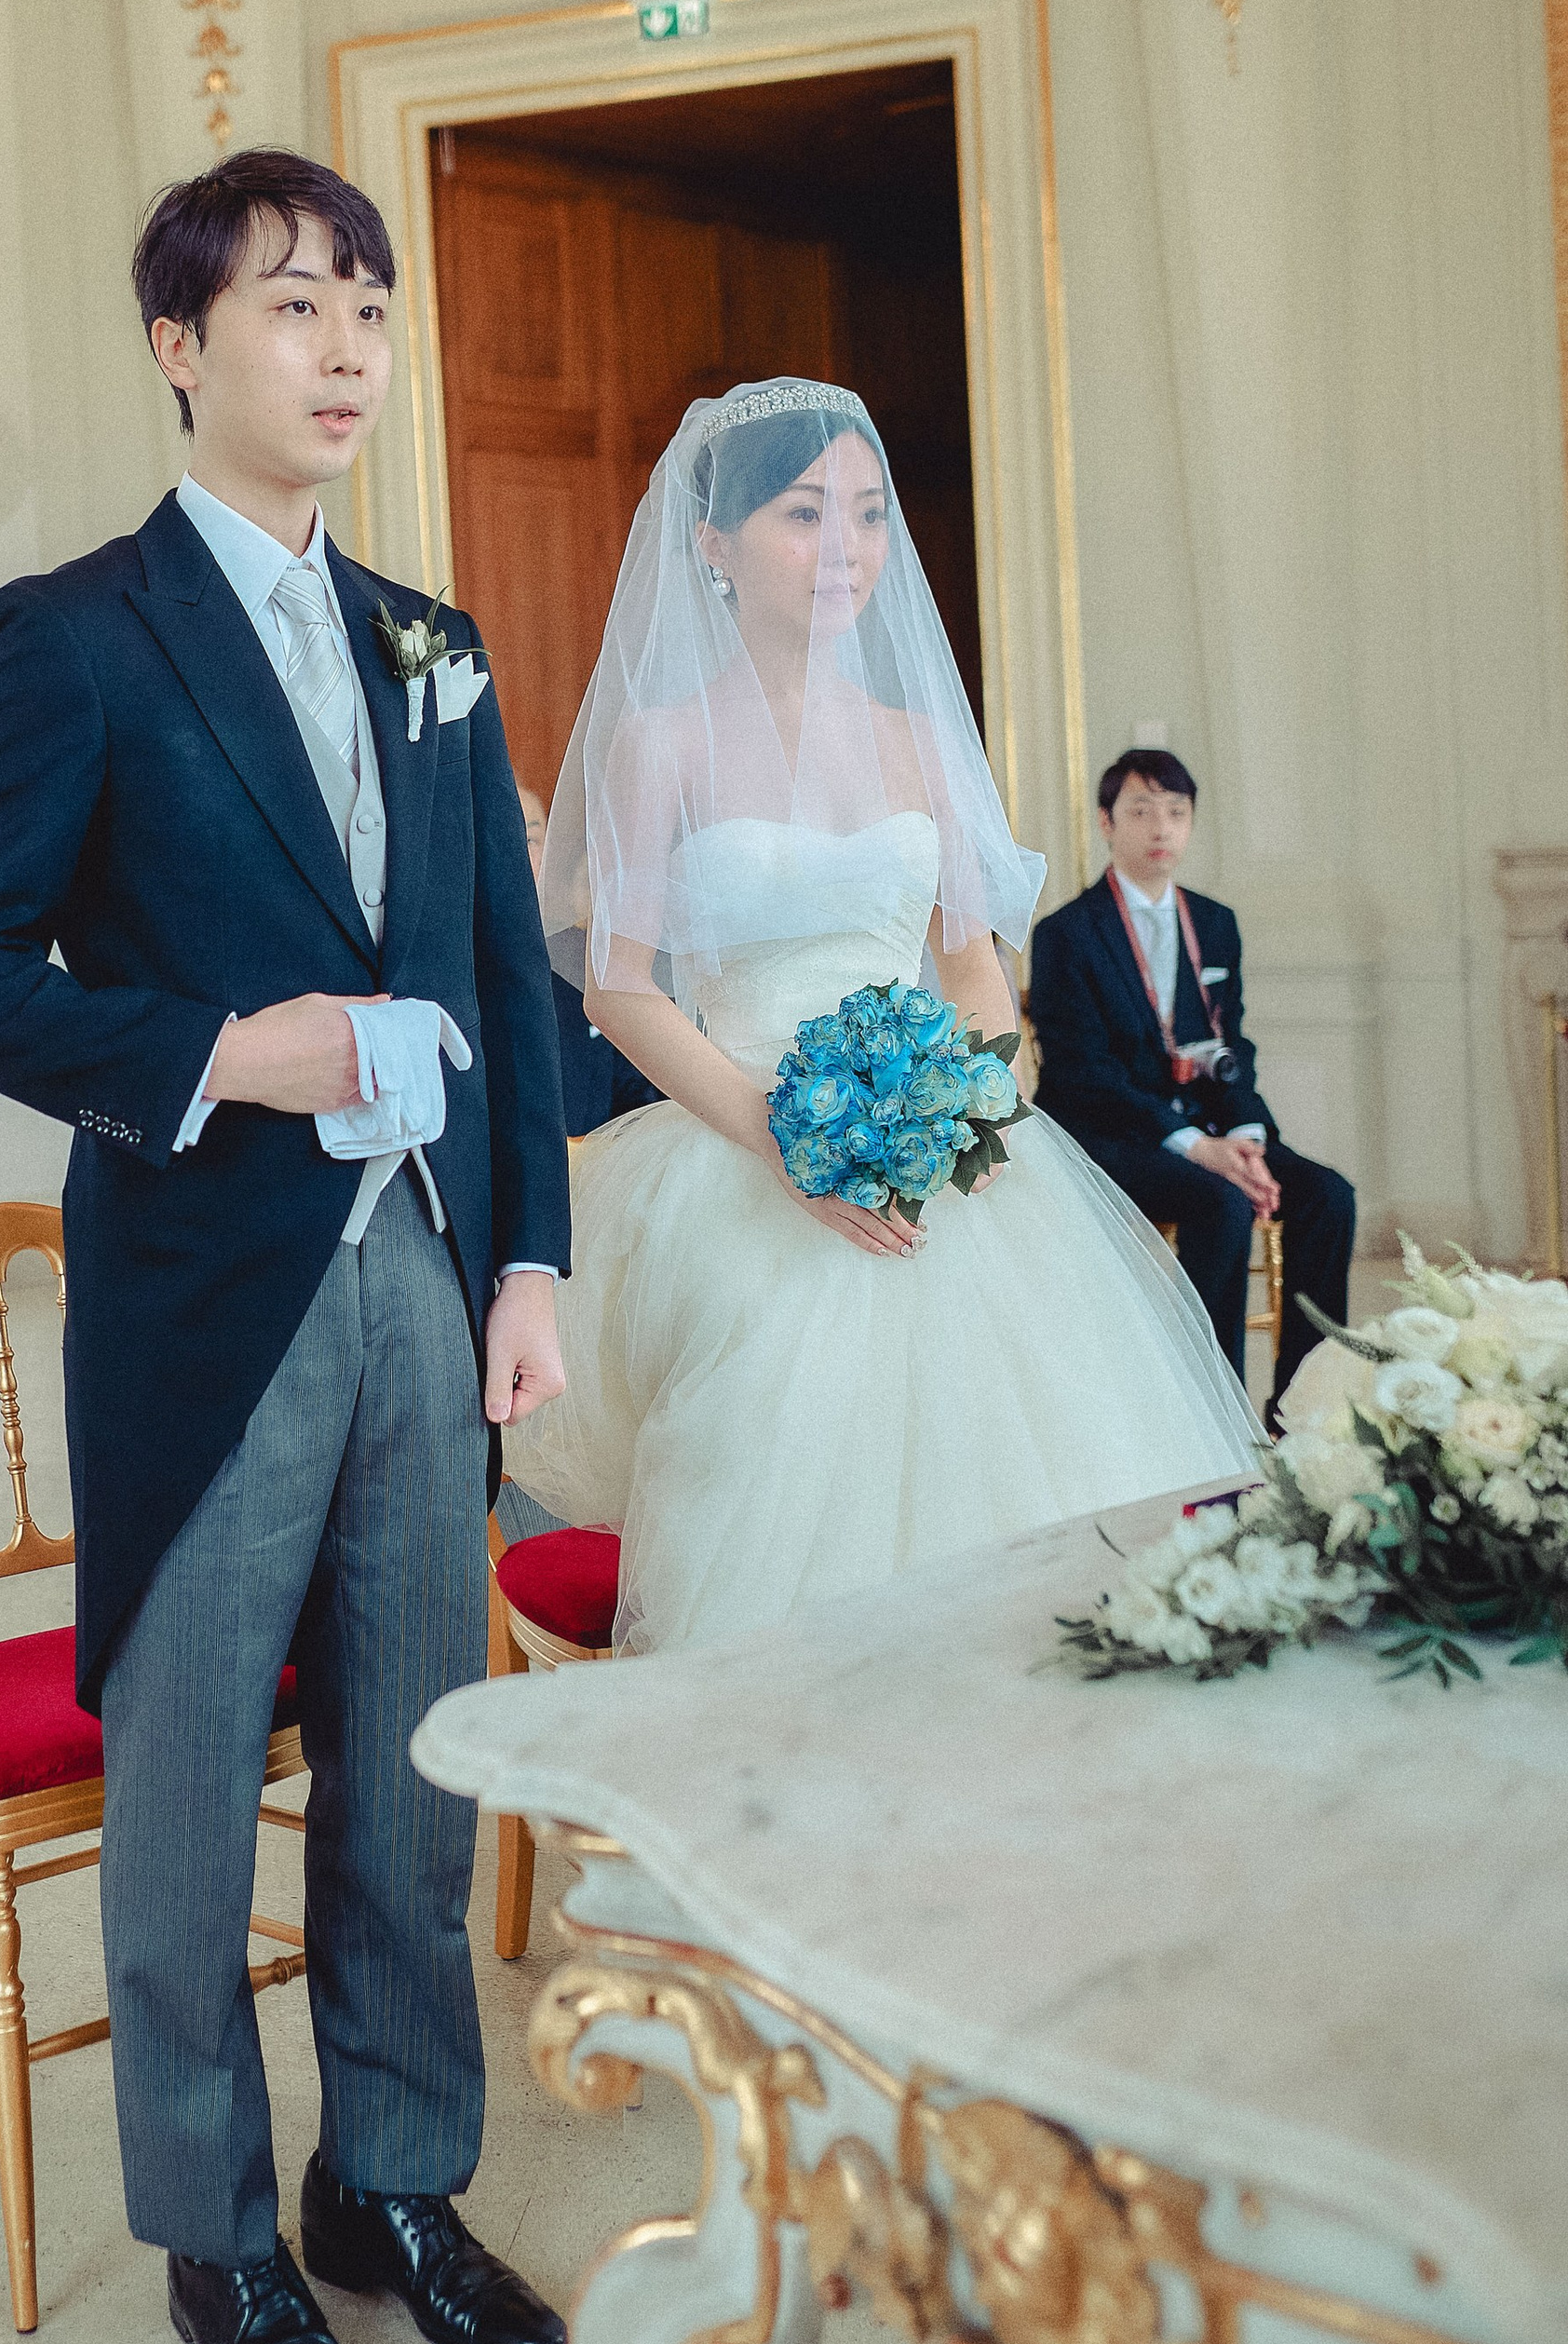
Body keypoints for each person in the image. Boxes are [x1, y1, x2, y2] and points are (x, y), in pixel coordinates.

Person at [0, 149, 573, 2344]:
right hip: (203, 1292)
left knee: (408, 1750)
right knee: (185, 1776)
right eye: (298, 303)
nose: (350, 343)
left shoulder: (433, 637)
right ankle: (213, 2236)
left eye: (371, 304)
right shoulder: (71, 634)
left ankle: (389, 2181)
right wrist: (209, 1052)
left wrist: (532, 1259)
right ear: (181, 346)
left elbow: (496, 971)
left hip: (422, 1281)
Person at [507, 380, 1260, 1658]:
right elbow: (620, 984)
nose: (846, 546)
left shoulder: (918, 742)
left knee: (1037, 1490)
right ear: (714, 544)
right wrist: (792, 1141)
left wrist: (947, 1125)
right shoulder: (662, 744)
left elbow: (973, 976)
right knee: (782, 1505)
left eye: (866, 513)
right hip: (743, 1149)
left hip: (944, 1159)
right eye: (806, 515)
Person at [1027, 749, 1355, 1416]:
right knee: (1221, 1201)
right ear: (1105, 822)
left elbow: (1231, 1044)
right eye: (1141, 810)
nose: (1161, 828)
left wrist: (1245, 1139)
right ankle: (1214, 1415)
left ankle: (1297, 1408)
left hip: (1209, 1129)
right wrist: (1194, 1146)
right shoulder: (1066, 933)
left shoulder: (1214, 923)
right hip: (1107, 1136)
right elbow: (1081, 1073)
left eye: (1177, 813)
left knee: (1328, 1196)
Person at [518, 784, 658, 1136]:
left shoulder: (586, 957)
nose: (521, 854)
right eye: (506, 833)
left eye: (532, 839)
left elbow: (637, 1086)